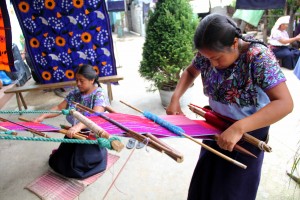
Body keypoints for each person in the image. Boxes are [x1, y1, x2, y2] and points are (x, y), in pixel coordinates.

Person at [166, 13, 293, 200]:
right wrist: (175, 98)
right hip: (214, 125)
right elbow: (191, 71)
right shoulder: (209, 52)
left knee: (232, 191)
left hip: (248, 132)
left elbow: (285, 103)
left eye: (216, 58)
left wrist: (239, 128)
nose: (212, 63)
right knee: (204, 186)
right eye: (207, 58)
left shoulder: (258, 58)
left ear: (234, 43)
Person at [33, 64, 110, 179]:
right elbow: (60, 108)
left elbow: (95, 115)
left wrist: (78, 127)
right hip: (75, 132)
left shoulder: (99, 94)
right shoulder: (74, 93)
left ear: (92, 80)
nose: (78, 84)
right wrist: (43, 116)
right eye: (76, 80)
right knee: (59, 161)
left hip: (91, 134)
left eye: (81, 81)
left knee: (78, 167)